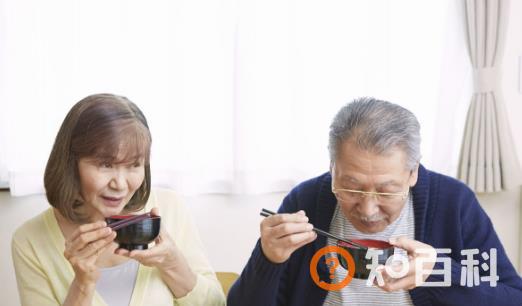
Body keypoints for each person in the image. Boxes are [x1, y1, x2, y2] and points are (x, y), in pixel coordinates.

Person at [227, 97, 522, 305]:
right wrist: (268, 259)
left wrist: (442, 273)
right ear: (332, 169)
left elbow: (512, 297)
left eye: (387, 190)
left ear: (413, 173)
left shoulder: (453, 204)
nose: (368, 210)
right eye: (351, 187)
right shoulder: (306, 200)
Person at [11, 93, 226, 306]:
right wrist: (83, 284)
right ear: (71, 164)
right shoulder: (30, 240)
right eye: (105, 164)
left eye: (134, 165)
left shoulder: (168, 207)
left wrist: (173, 264)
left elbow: (216, 304)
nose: (120, 184)